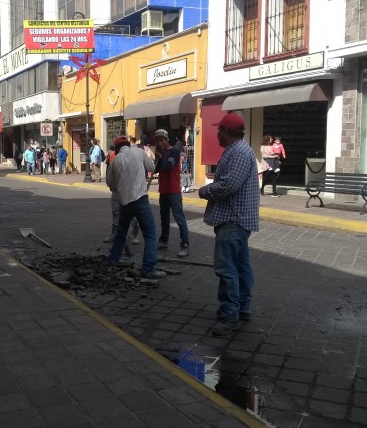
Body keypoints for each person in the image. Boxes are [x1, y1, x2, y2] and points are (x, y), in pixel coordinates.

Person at [198, 113, 259, 336]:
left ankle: (229, 314)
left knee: (226, 268)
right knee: (241, 266)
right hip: (236, 219)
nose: (217, 134)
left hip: (233, 219)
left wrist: (206, 191)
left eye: (219, 130)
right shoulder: (236, 151)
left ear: (226, 131)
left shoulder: (240, 153)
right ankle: (243, 307)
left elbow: (228, 185)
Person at [106, 136, 164, 279]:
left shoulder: (115, 161)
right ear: (128, 144)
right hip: (140, 198)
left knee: (121, 231)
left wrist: (118, 188)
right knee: (150, 234)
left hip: (125, 201)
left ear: (118, 148)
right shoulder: (138, 152)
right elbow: (152, 168)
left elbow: (110, 184)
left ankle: (114, 259)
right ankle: (148, 269)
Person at [153, 129, 190, 258]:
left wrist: (161, 154)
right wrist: (157, 158)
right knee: (164, 218)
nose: (160, 142)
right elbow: (156, 170)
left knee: (179, 219)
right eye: (158, 141)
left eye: (162, 140)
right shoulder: (160, 154)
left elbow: (167, 167)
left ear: (167, 139)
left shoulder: (174, 152)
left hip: (174, 191)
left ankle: (185, 244)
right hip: (163, 190)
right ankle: (164, 241)